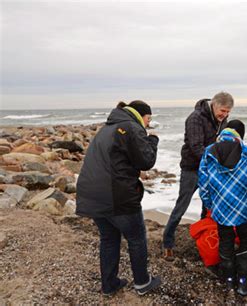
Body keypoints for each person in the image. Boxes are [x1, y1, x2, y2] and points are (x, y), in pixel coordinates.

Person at [76, 100, 161, 296]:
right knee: (136, 238)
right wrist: (153, 140)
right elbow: (146, 161)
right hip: (116, 195)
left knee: (109, 238)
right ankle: (142, 283)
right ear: (141, 115)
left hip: (91, 194)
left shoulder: (108, 128)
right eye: (148, 119)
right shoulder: (132, 127)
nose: (148, 124)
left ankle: (109, 284)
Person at [162, 92, 234, 260]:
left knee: (207, 207)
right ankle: (167, 243)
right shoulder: (195, 118)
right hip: (192, 169)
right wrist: (216, 162)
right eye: (222, 111)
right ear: (214, 104)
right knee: (181, 206)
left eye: (228, 112)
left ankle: (202, 241)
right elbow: (196, 147)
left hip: (210, 170)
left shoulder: (223, 121)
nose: (224, 115)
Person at [197, 120, 247, 296]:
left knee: (225, 241)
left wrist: (211, 205)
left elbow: (203, 183)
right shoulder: (246, 151)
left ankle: (229, 279)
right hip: (243, 207)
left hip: (221, 208)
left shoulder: (209, 152)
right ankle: (244, 282)